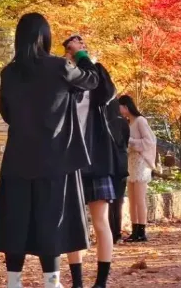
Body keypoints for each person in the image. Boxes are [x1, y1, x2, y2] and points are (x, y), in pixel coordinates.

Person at [0, 13, 100, 288]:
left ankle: (13, 282)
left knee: (15, 218)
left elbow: (6, 113)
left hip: (18, 157)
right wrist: (81, 54)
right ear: (44, 36)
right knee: (52, 217)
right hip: (55, 158)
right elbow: (92, 80)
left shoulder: (9, 72)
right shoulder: (59, 66)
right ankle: (51, 281)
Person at [63, 34, 117, 288]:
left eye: (80, 47)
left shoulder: (96, 81)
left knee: (100, 222)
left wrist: (84, 56)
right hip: (70, 163)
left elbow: (106, 89)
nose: (76, 51)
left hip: (95, 162)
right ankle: (77, 282)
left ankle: (101, 283)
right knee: (73, 224)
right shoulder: (65, 81)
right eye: (74, 49)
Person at [118, 95, 157, 243]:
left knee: (140, 198)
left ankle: (142, 230)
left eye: (120, 107)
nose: (119, 111)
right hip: (131, 161)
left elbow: (149, 141)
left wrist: (131, 141)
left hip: (141, 161)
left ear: (126, 107)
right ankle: (135, 230)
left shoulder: (141, 121)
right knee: (133, 198)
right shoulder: (128, 123)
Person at [106, 98, 130, 244]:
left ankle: (109, 232)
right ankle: (117, 233)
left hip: (108, 165)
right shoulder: (123, 123)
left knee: (108, 202)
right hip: (121, 165)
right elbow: (126, 142)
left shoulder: (104, 122)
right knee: (118, 201)